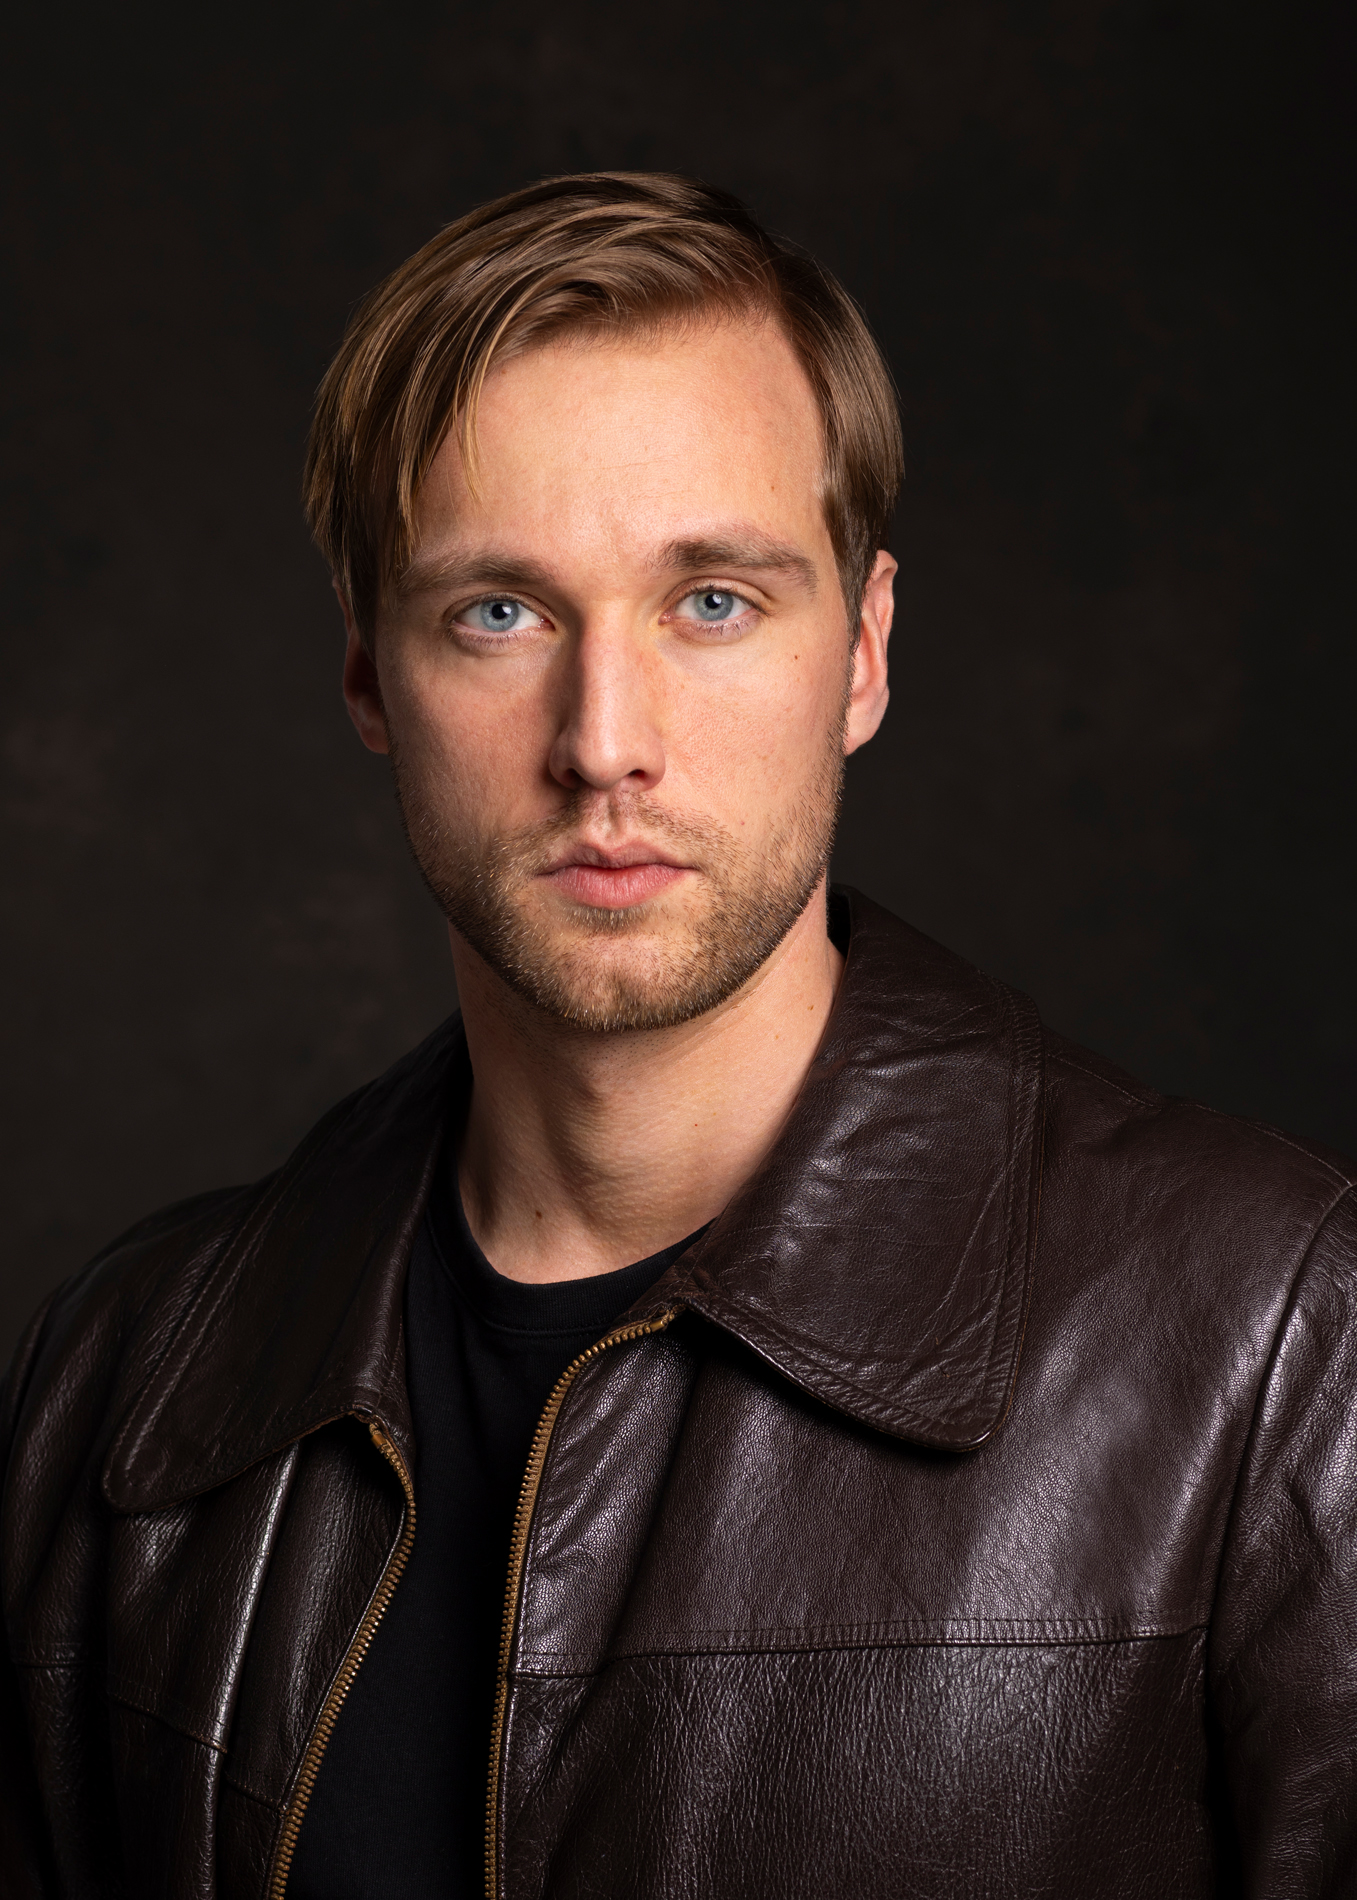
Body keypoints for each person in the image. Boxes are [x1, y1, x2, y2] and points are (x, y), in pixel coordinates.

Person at [2, 170, 1354, 1900]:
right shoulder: (119, 1384)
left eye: (712, 600)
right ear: (366, 680)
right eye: (499, 611)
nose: (603, 741)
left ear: (859, 652)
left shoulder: (1270, 1335)